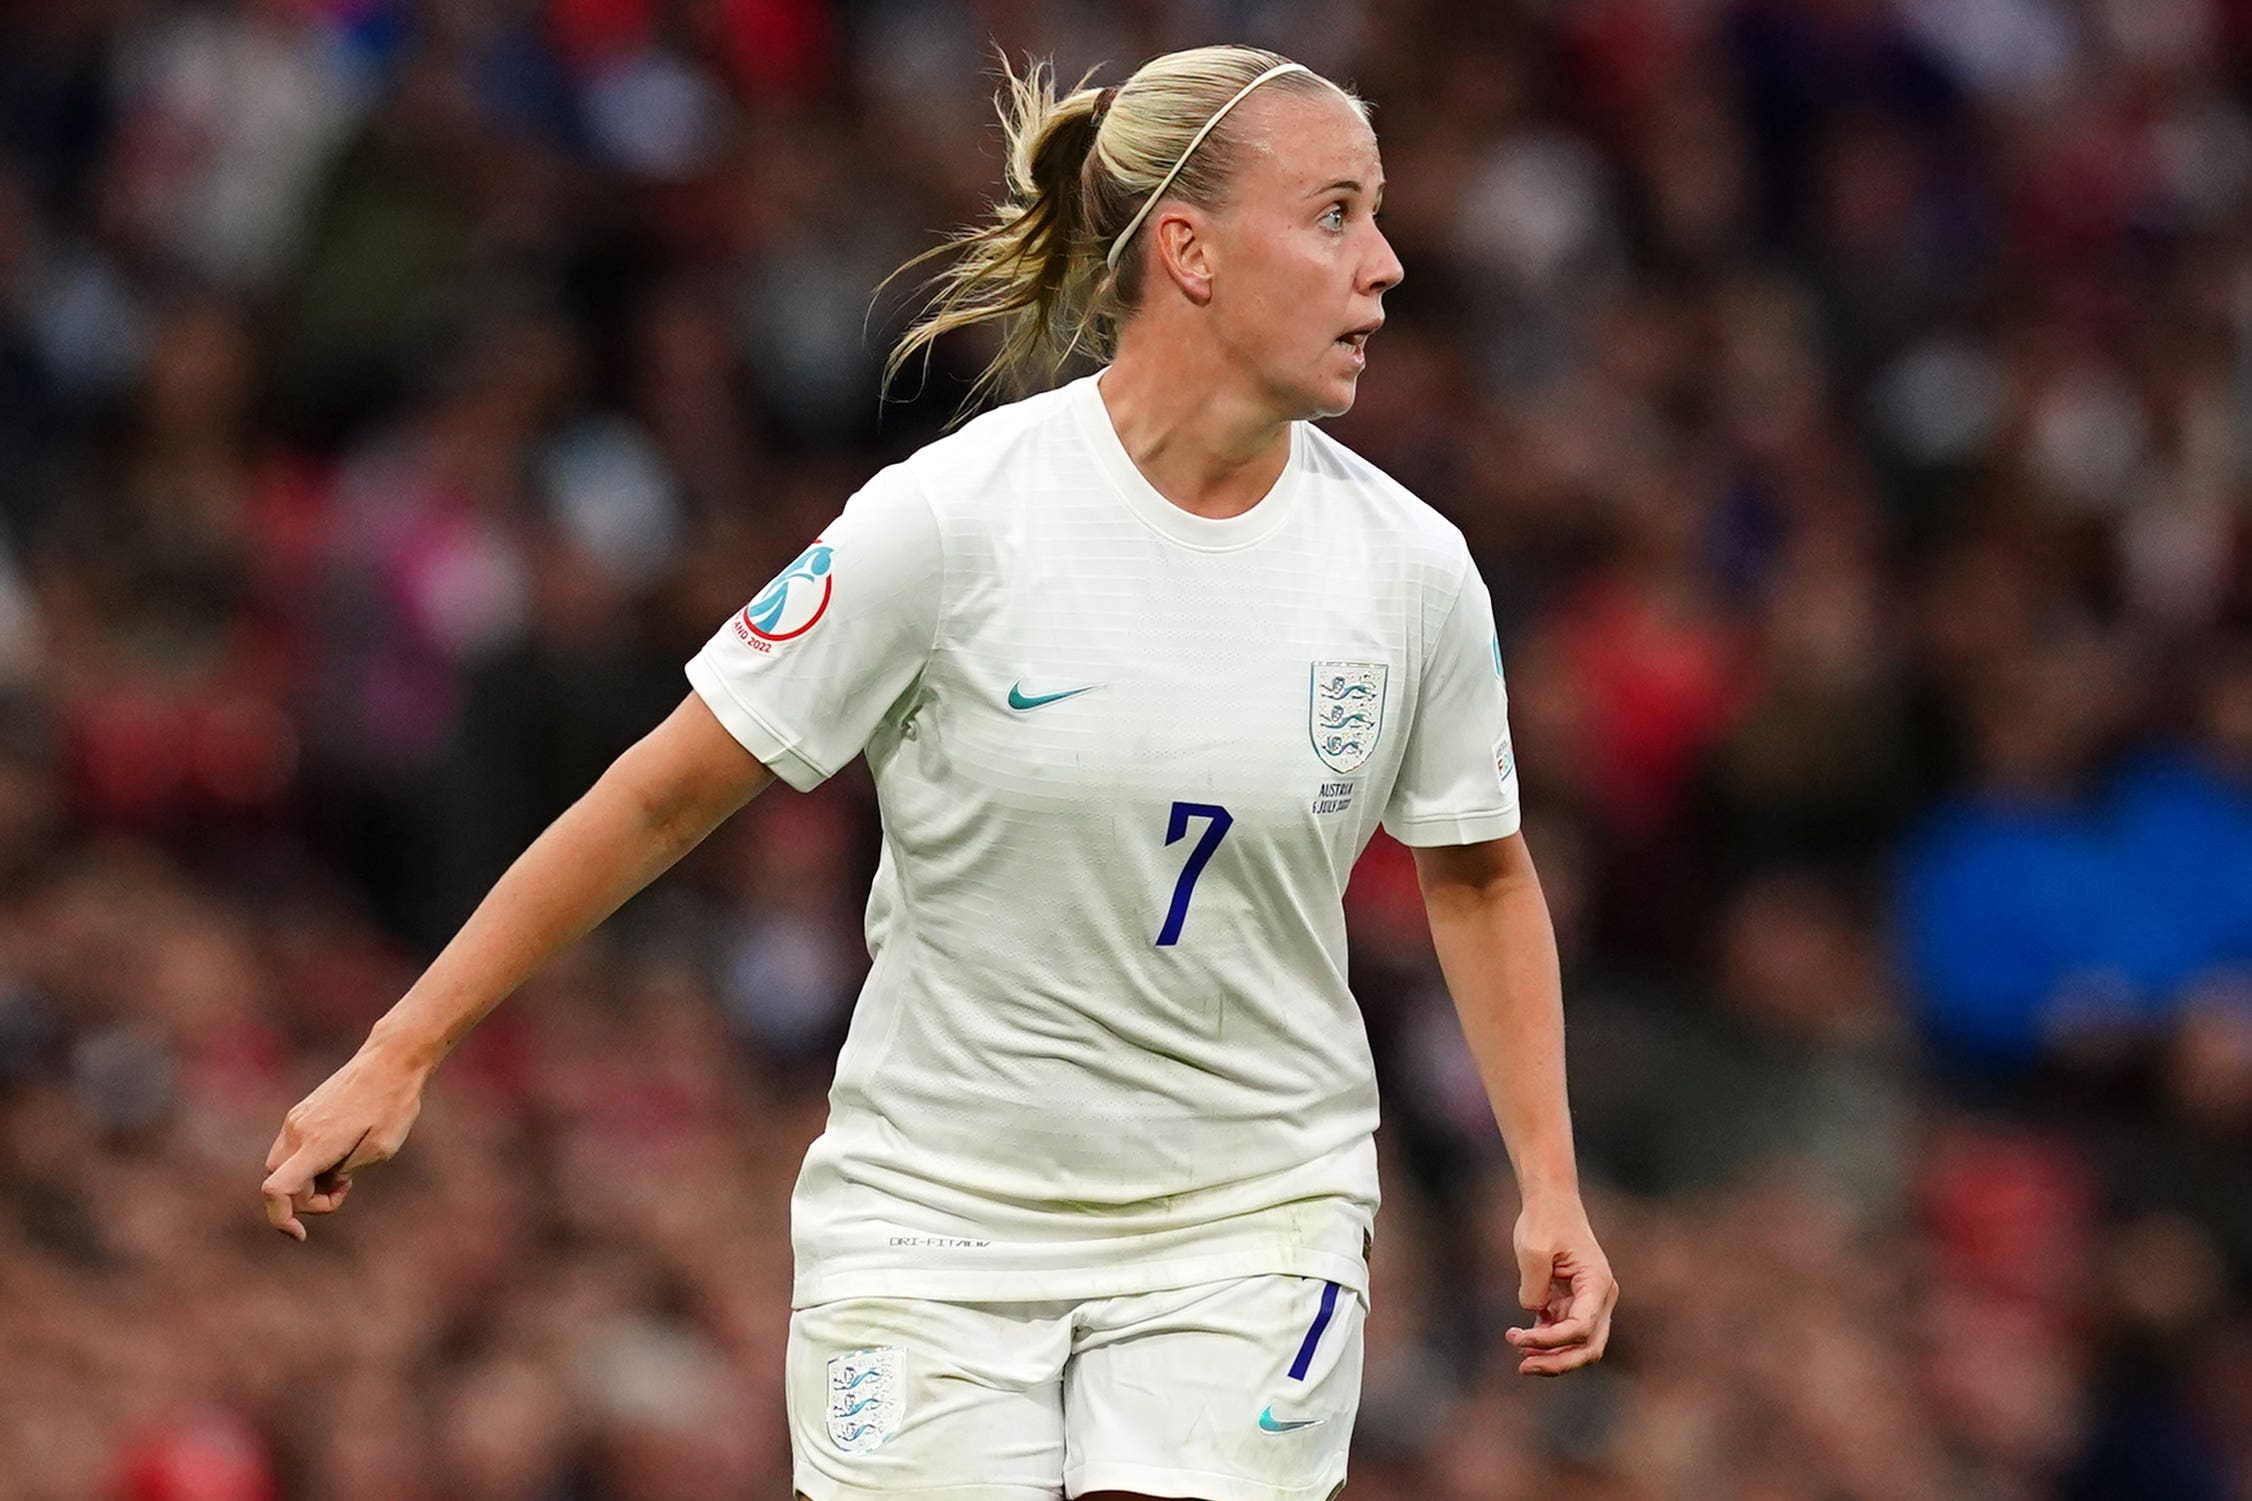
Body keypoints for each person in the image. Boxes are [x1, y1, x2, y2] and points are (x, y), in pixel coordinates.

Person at [262, 43, 1617, 1501]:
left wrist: (1548, 1175)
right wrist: (402, 1049)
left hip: (1250, 1209)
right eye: (1339, 213)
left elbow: (1476, 869)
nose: (1390, 266)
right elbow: (660, 792)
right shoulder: (954, 520)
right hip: (938, 1214)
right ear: (1191, 252)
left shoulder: (1411, 572)